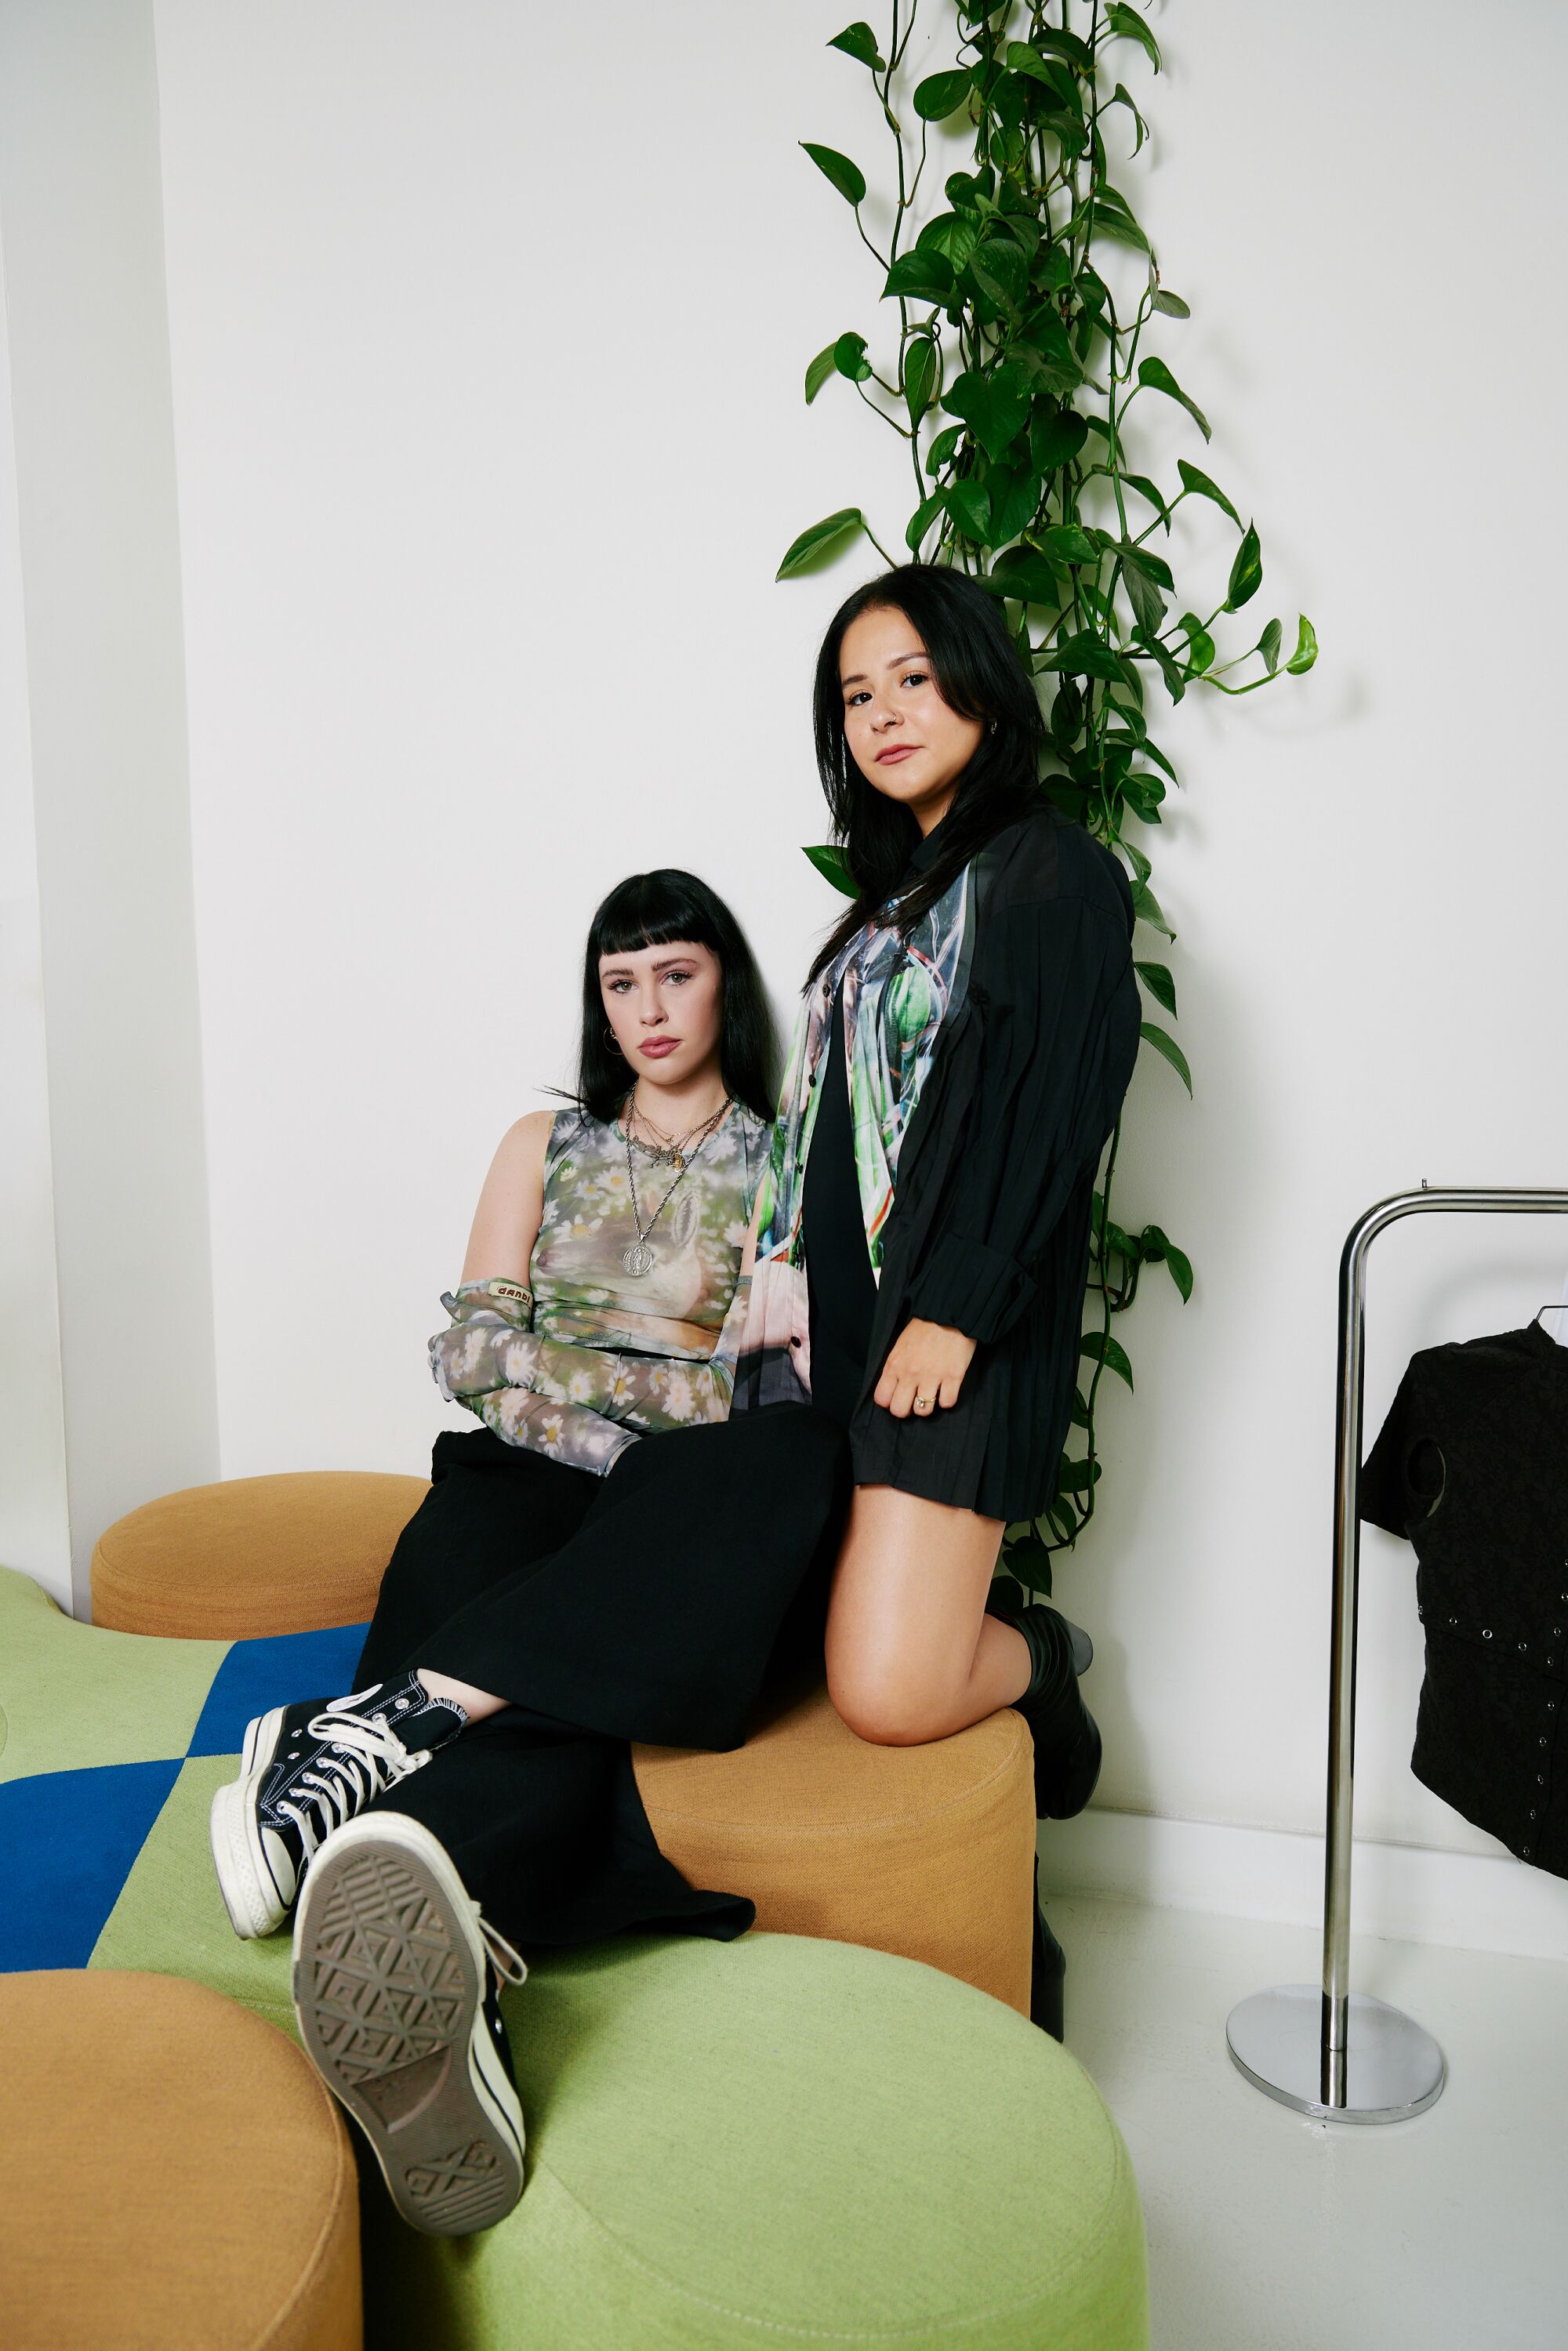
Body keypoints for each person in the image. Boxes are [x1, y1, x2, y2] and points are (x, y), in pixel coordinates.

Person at [207, 869, 850, 2238]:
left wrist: (654, 1410)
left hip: (682, 1502)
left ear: (723, 981)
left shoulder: (794, 1156)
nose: (649, 1009)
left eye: (675, 975)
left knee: (789, 1465)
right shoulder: (541, 1143)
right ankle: (449, 1955)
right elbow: (472, 1349)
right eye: (621, 984)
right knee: (559, 1645)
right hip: (539, 1474)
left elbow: (794, 1391)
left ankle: (369, 1740)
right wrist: (664, 1394)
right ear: (597, 1001)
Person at [728, 563, 1143, 2020]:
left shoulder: (1049, 869)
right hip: (842, 1345)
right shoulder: (892, 896)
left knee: (894, 1693)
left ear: (980, 681)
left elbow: (1056, 1107)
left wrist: (958, 1308)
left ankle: (1046, 1654)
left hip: (950, 1341)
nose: (883, 712)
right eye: (856, 694)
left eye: (912, 676)